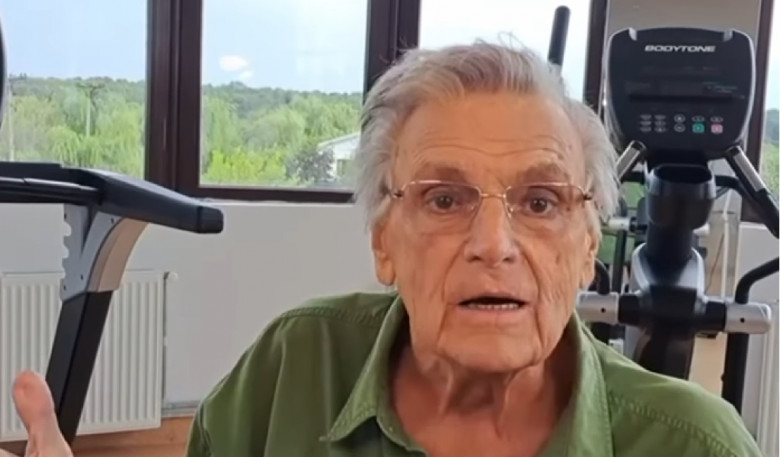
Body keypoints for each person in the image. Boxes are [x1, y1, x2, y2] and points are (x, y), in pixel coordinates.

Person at [0, 41, 764, 457]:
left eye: (539, 202)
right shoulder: (289, 371)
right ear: (383, 242)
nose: (493, 244)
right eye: (444, 198)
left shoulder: (694, 445)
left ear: (587, 240)